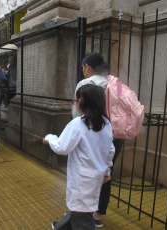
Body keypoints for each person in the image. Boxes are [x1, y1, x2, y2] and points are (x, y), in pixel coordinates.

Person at [44, 84, 115, 230]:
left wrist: (50, 138)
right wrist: (107, 172)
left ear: (82, 102)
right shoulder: (106, 124)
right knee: (81, 210)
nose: (75, 102)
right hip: (96, 178)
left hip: (81, 180)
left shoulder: (78, 124)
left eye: (76, 100)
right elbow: (110, 151)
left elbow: (61, 147)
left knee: (82, 218)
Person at [72, 52, 125, 227]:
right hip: (115, 135)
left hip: (92, 136)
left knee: (87, 173)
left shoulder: (85, 84)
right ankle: (98, 216)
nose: (83, 71)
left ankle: (83, 212)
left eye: (83, 68)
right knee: (105, 174)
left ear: (87, 67)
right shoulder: (115, 83)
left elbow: (77, 115)